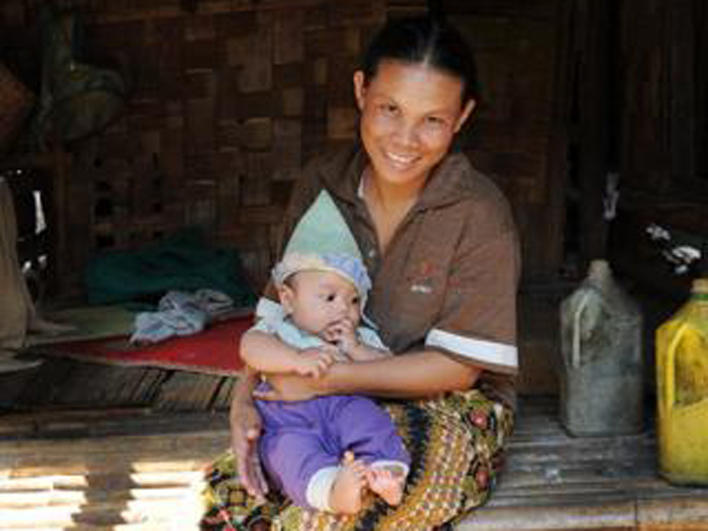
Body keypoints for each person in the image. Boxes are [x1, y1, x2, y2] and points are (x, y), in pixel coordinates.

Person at [202, 13, 520, 530]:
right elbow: (273, 319)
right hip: (314, 394)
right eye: (390, 109)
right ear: (360, 91)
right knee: (240, 493)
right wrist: (243, 406)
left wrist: (324, 383)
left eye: (432, 120)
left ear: (462, 117)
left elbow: (457, 369)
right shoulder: (322, 184)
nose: (406, 138)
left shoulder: (478, 213)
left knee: (369, 495)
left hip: (448, 405)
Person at [240, 190, 410, 515]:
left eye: (354, 300)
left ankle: (387, 474)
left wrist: (356, 348)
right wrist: (295, 359)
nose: (344, 309)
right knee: (287, 453)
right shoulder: (279, 329)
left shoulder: (357, 335)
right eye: (330, 298)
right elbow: (250, 347)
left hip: (345, 406)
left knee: (371, 422)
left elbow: (389, 367)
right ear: (289, 300)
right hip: (289, 420)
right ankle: (335, 491)